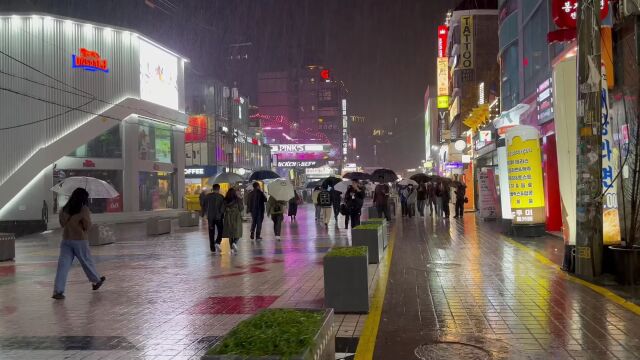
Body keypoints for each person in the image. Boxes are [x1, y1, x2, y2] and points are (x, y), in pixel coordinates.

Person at [52, 188, 105, 300]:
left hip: (66, 240)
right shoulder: (84, 209)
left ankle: (58, 291)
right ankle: (96, 281)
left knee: (63, 266)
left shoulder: (64, 209)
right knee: (87, 261)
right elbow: (87, 226)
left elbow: (62, 224)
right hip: (80, 240)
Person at [204, 184, 225, 253]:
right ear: (218, 189)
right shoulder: (221, 197)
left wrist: (206, 213)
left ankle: (212, 248)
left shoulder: (207, 196)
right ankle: (217, 242)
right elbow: (223, 208)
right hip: (218, 217)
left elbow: (204, 205)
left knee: (211, 232)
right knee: (221, 231)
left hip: (210, 218)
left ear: (213, 189)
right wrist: (221, 213)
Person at [222, 188, 243, 254]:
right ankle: (235, 242)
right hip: (236, 217)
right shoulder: (238, 199)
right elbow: (241, 208)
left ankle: (231, 249)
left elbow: (222, 210)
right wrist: (241, 199)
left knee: (230, 234)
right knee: (238, 232)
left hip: (228, 218)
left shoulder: (225, 200)